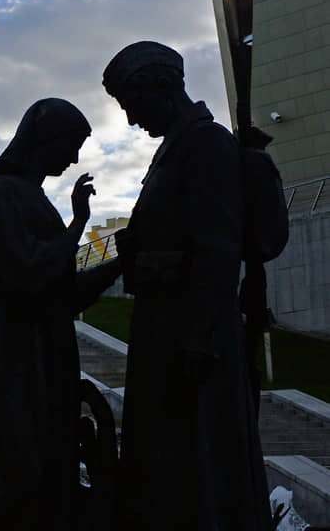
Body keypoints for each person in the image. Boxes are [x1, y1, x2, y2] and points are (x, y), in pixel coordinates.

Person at [102, 41, 271, 530]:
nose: (132, 120)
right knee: (165, 457)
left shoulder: (205, 143)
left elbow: (217, 249)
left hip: (190, 335)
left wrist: (199, 337)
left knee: (197, 456)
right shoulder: (173, 150)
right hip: (163, 326)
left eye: (131, 106)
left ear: (161, 88)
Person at [0, 98, 121, 530]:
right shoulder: (3, 192)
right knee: (18, 465)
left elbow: (63, 292)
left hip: (48, 343)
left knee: (49, 463)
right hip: (20, 346)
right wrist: (78, 225)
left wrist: (122, 260)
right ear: (44, 139)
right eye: (71, 144)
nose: (74, 158)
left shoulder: (34, 198)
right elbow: (25, 272)